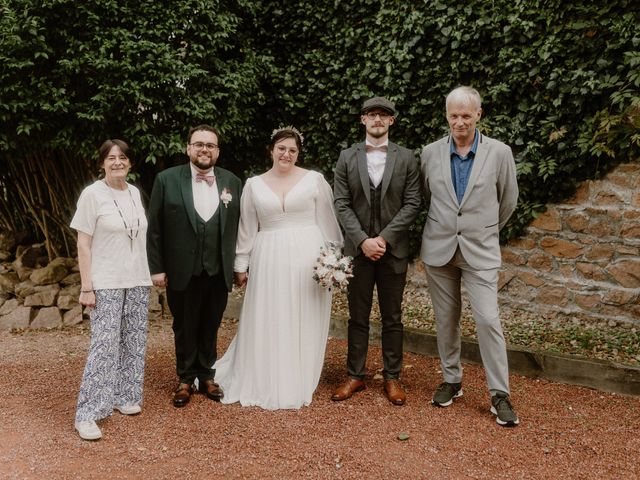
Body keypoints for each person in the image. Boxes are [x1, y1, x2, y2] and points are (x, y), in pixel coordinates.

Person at [213, 126, 343, 410]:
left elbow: (328, 223)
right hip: (269, 255)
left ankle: (299, 376)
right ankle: (267, 374)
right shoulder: (254, 184)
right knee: (270, 313)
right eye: (281, 148)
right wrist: (241, 263)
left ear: (298, 154)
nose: (287, 154)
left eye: (292, 150)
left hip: (309, 257)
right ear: (271, 150)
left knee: (303, 313)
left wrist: (333, 262)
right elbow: (247, 228)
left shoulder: (315, 180)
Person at [420, 86, 520, 426]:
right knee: (445, 319)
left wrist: (484, 229)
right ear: (446, 116)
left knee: (488, 320)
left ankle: (499, 393)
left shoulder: (500, 152)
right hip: (439, 249)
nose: (459, 122)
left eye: (466, 115)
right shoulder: (430, 153)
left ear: (478, 114)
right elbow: (423, 195)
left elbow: (507, 201)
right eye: (454, 115)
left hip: (481, 250)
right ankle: (452, 380)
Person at [332, 97, 421, 406]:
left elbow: (412, 203)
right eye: (372, 114)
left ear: (392, 122)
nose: (378, 119)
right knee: (358, 316)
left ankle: (392, 377)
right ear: (363, 120)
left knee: (392, 316)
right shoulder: (346, 157)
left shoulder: (408, 158)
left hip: (392, 250)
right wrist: (361, 240)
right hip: (358, 251)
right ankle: (355, 375)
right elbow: (341, 203)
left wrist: (382, 238)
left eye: (384, 115)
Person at [147, 125, 242, 408]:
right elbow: (155, 228)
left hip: (218, 268)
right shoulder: (166, 179)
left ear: (217, 151)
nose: (204, 149)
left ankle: (207, 375)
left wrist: (238, 265)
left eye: (210, 145)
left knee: (211, 322)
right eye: (199, 144)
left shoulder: (232, 182)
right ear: (188, 148)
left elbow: (240, 228)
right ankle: (186, 378)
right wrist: (157, 268)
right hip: (180, 269)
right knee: (184, 325)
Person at [71, 139, 152, 441]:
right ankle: (88, 413)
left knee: (134, 340)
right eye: (111, 158)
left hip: (137, 279)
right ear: (102, 163)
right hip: (105, 282)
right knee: (104, 347)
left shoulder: (134, 193)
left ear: (130, 163)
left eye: (123, 157)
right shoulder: (92, 194)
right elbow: (83, 242)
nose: (117, 162)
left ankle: (125, 395)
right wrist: (86, 286)